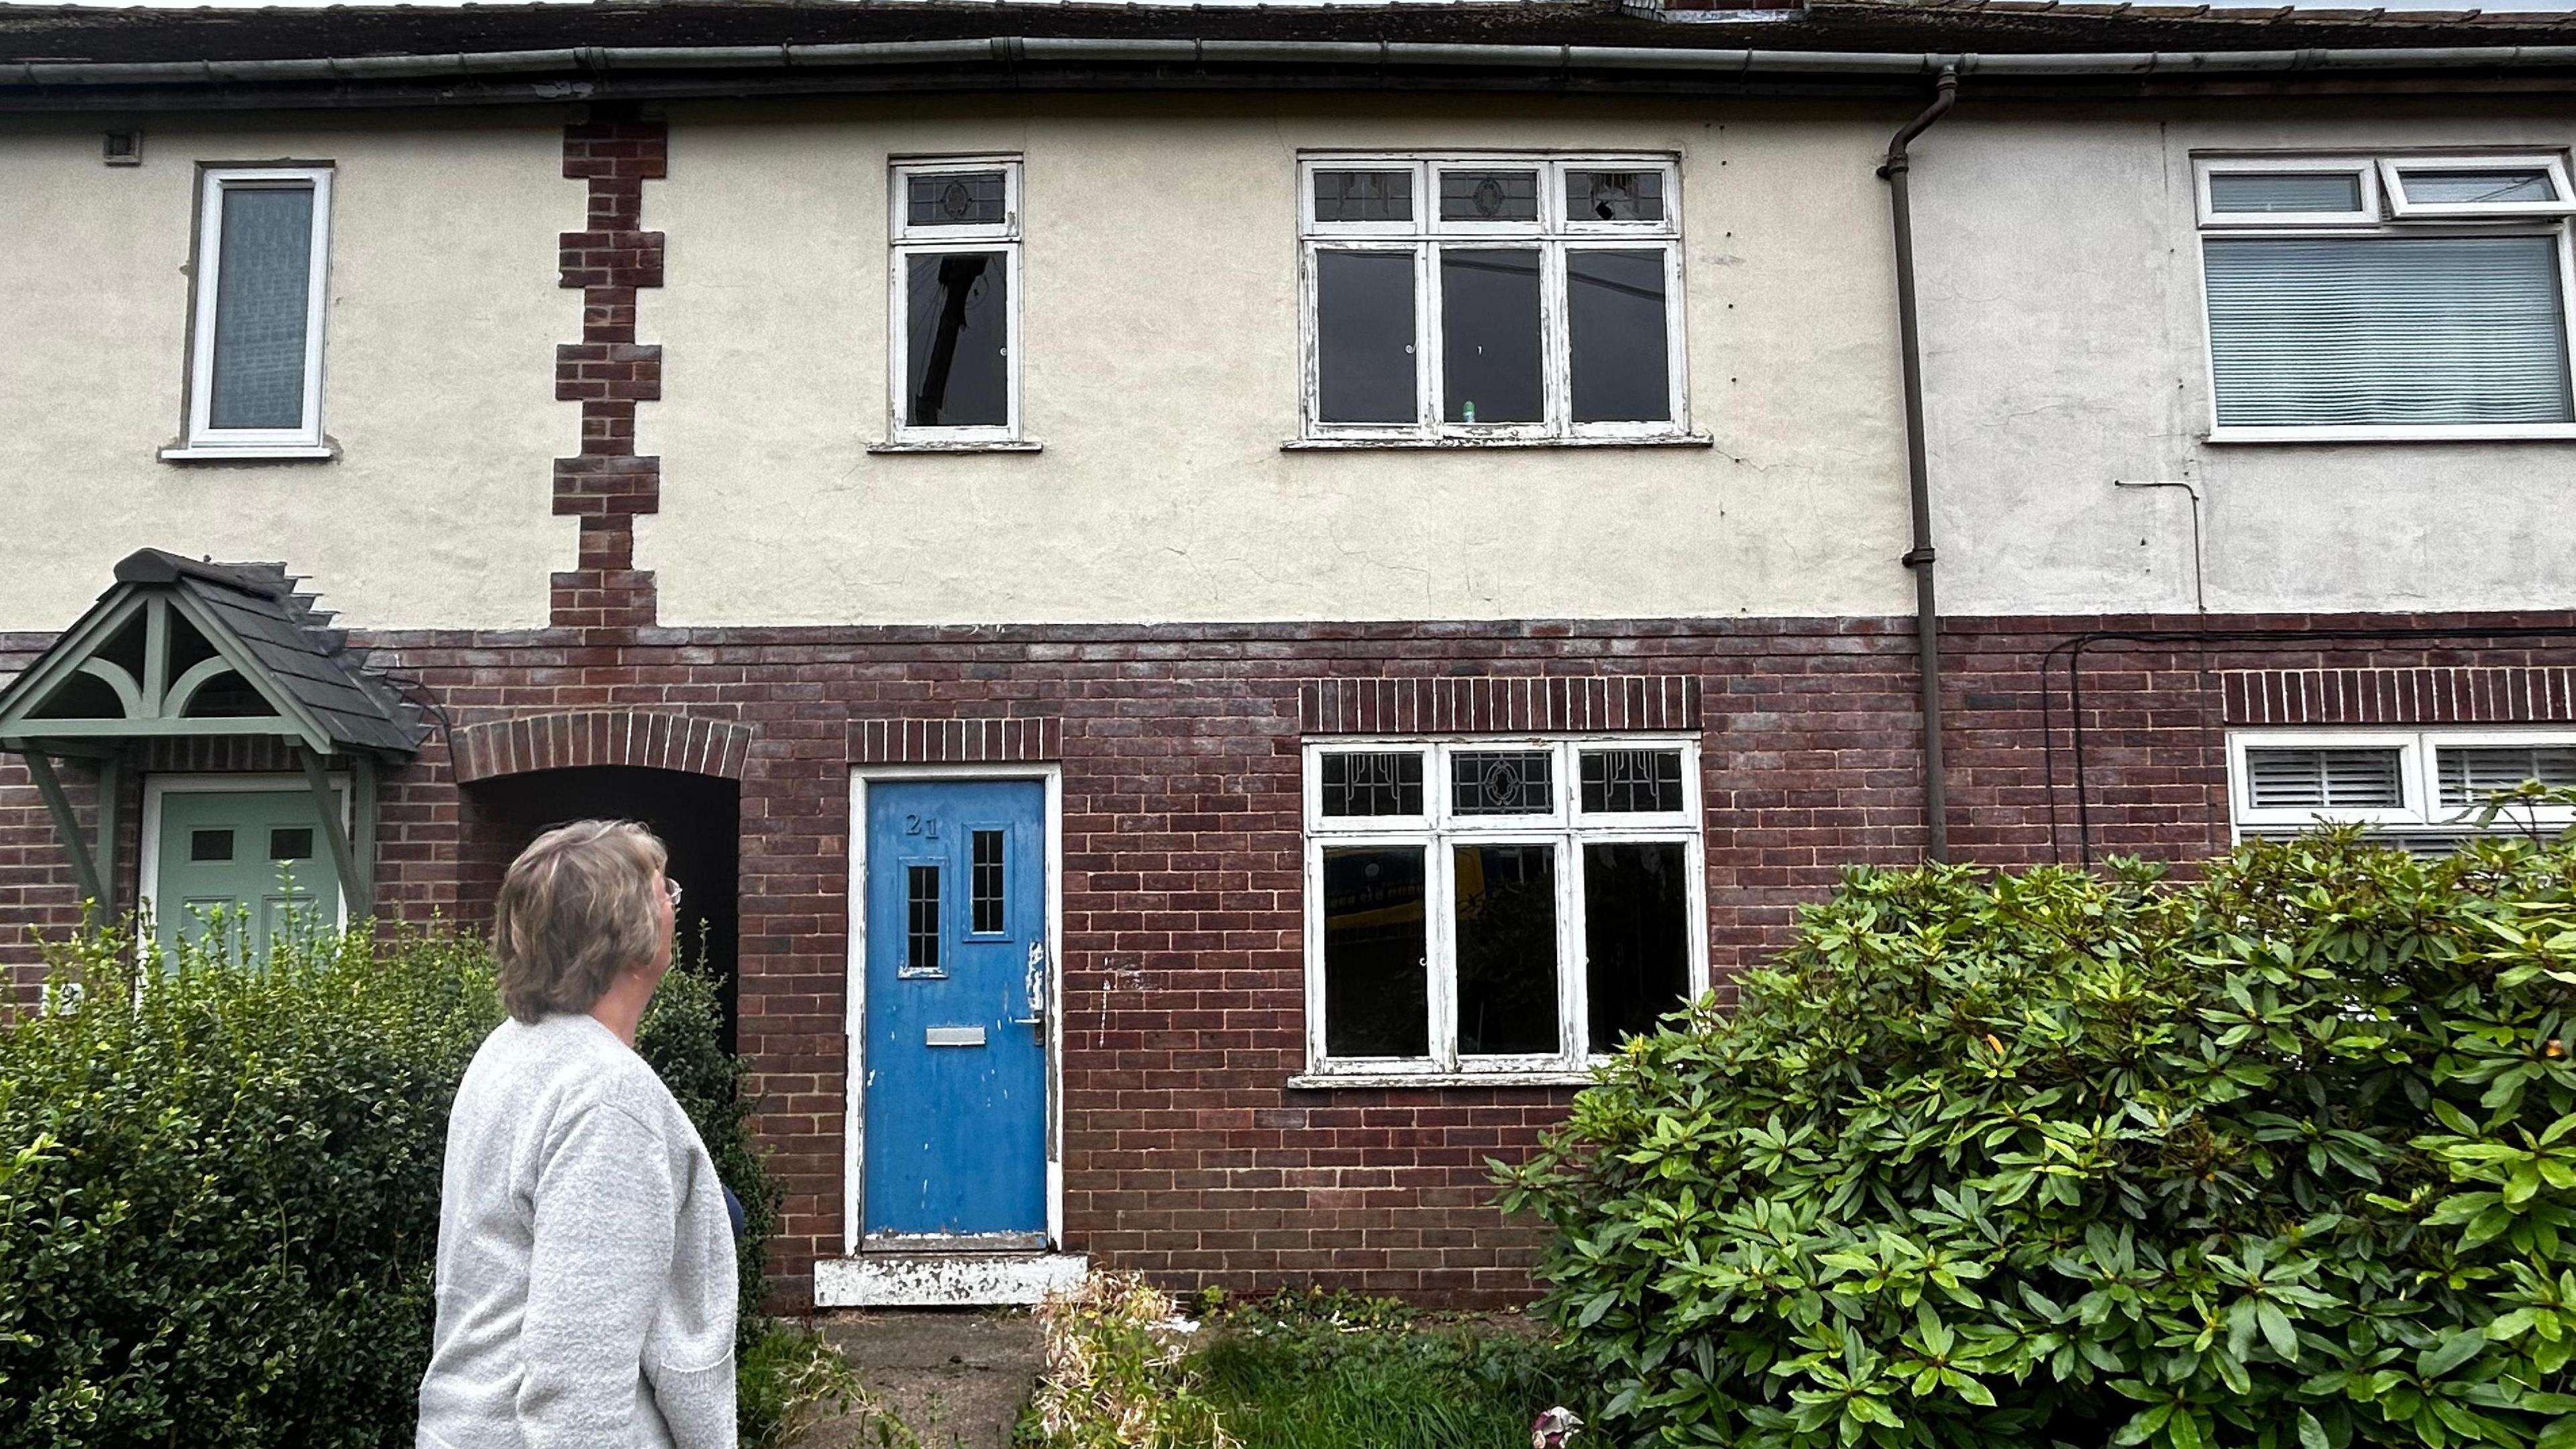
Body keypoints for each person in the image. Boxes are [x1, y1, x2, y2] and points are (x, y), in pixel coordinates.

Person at [416, 820, 738, 1449]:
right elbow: (578, 1377)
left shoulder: (509, 1051)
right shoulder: (605, 1096)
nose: (674, 904)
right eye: (663, 891)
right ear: (629, 937)